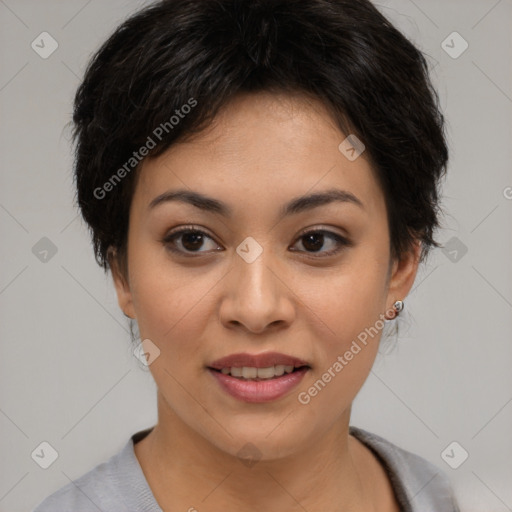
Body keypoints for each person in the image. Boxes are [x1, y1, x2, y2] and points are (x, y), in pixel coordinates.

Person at [32, 0, 460, 510]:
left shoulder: (440, 496)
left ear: (401, 264)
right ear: (121, 269)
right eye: (192, 240)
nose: (256, 309)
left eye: (316, 240)